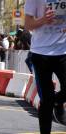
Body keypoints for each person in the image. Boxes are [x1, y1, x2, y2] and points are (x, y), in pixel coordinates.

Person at [24, 0, 66, 133]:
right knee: (46, 100)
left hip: (63, 51)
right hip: (41, 53)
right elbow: (28, 24)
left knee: (51, 100)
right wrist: (43, 20)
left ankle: (58, 102)